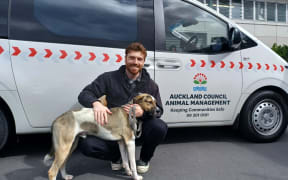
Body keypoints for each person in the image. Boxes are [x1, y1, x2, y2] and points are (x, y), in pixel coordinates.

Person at [77, 42, 168, 174]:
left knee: (159, 127)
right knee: (87, 145)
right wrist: (96, 103)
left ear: (143, 62)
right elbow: (84, 94)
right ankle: (116, 157)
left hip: (138, 131)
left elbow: (159, 110)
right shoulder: (108, 78)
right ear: (125, 59)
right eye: (131, 58)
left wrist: (142, 112)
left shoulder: (150, 85)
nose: (135, 62)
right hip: (114, 130)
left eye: (139, 59)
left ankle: (144, 159)